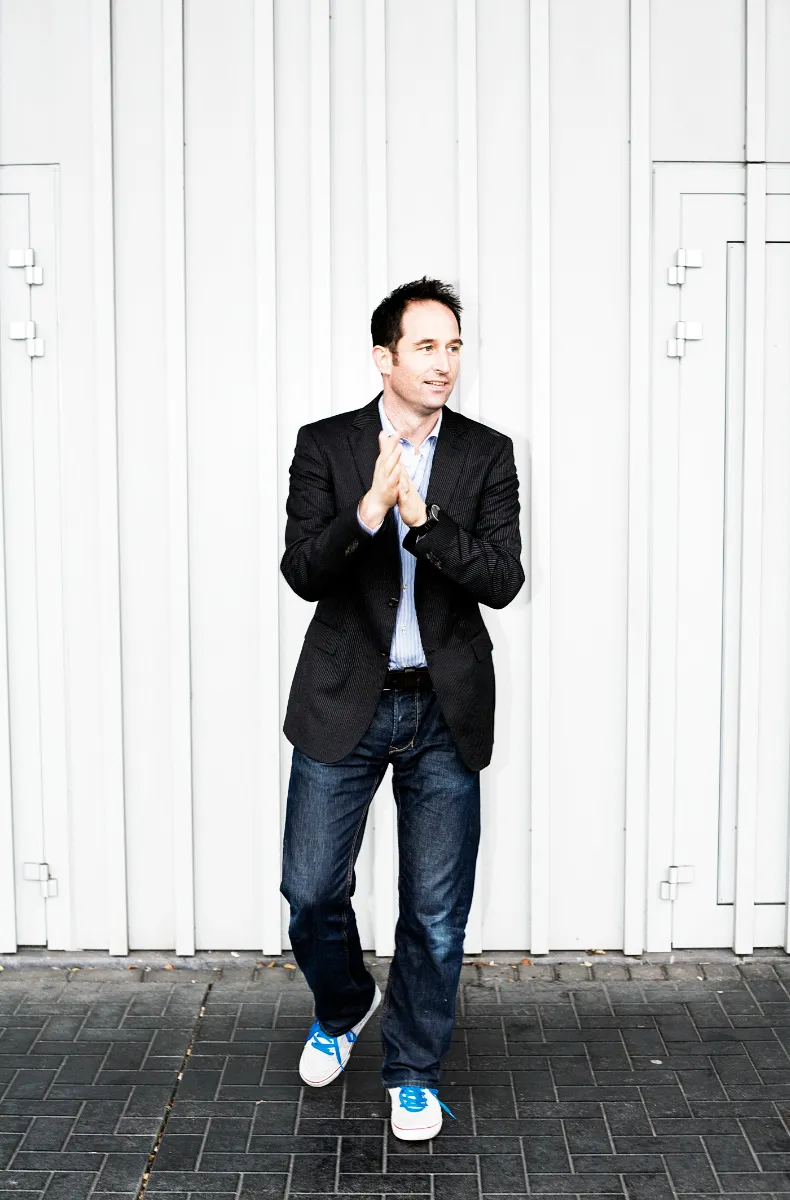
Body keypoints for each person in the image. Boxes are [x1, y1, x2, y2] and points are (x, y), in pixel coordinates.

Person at [279, 276, 524, 1141]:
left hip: (442, 712)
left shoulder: (486, 454)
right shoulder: (327, 446)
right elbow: (303, 570)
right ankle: (344, 1004)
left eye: (454, 346)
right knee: (309, 889)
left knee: (434, 909)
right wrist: (369, 510)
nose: (445, 362)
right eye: (427, 346)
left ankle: (413, 1069)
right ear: (384, 357)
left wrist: (423, 522)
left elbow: (503, 579)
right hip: (344, 701)